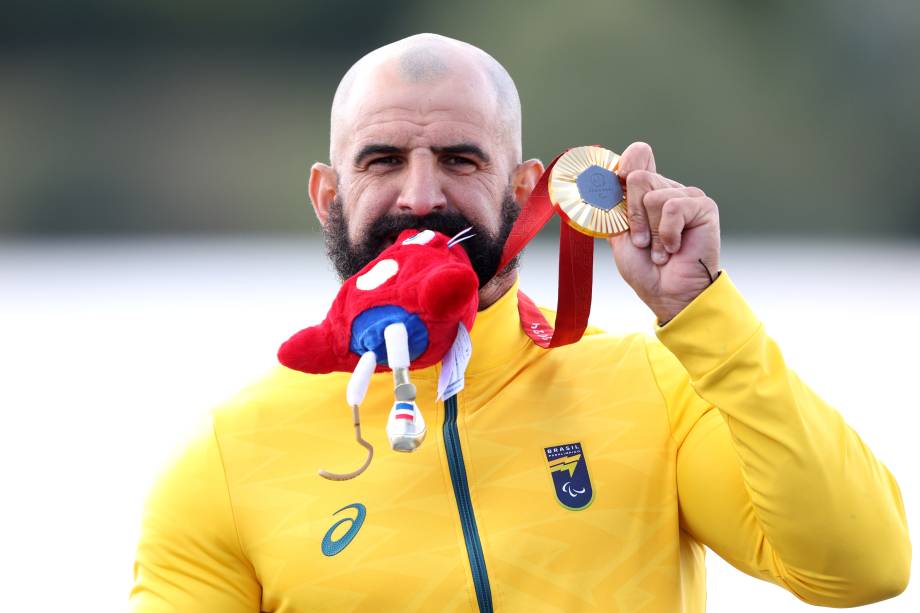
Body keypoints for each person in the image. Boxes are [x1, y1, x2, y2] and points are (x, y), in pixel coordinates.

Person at [129, 34, 910, 612]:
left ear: (526, 187)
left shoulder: (652, 389)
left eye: (463, 160)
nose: (420, 196)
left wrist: (702, 313)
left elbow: (861, 563)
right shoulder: (226, 461)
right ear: (327, 195)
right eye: (383, 160)